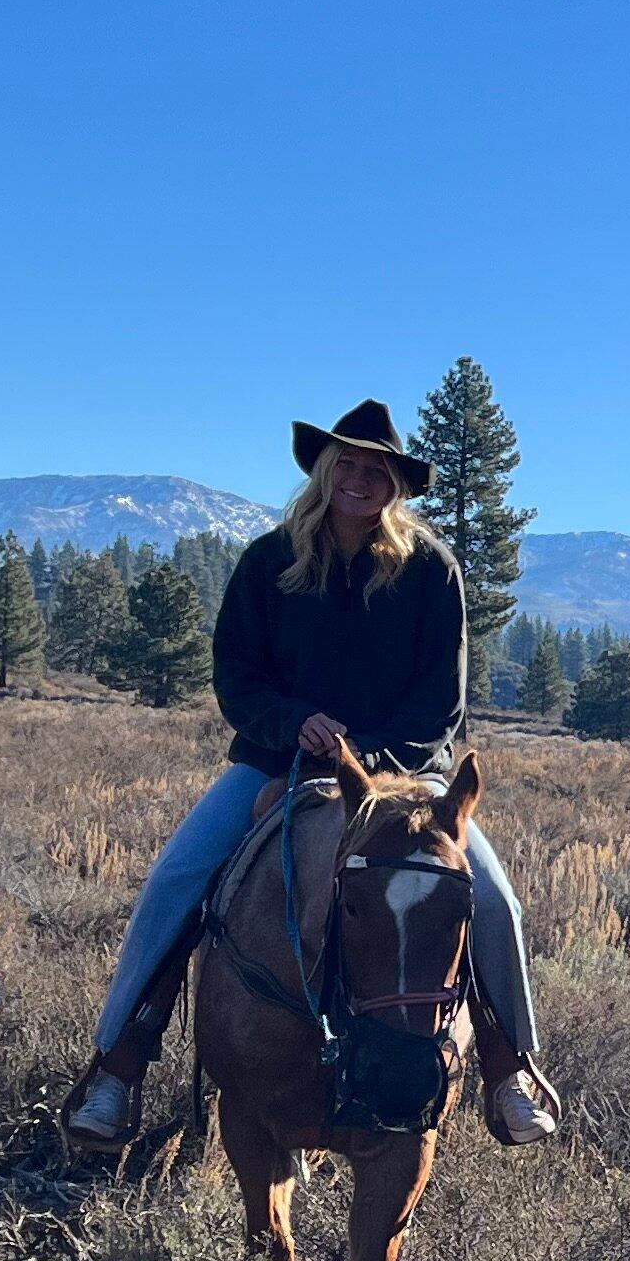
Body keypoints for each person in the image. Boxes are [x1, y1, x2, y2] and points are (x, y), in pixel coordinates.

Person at [58, 399, 555, 1151]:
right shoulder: (268, 561)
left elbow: (441, 702)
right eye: (347, 464)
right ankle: (118, 1064)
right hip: (277, 760)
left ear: (396, 486)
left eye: (376, 469)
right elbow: (238, 676)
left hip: (406, 776)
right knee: (176, 879)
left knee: (493, 900)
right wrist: (293, 723)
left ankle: (508, 1062)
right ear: (325, 471)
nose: (360, 479)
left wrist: (368, 754)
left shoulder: (431, 571)